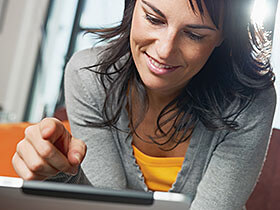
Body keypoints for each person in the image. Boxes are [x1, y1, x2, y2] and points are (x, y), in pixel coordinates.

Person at [12, 0, 276, 209]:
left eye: (194, 35)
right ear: (132, 5)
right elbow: (102, 203)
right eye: (153, 18)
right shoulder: (88, 76)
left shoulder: (249, 101)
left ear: (222, 37)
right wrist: (57, 173)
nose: (164, 50)